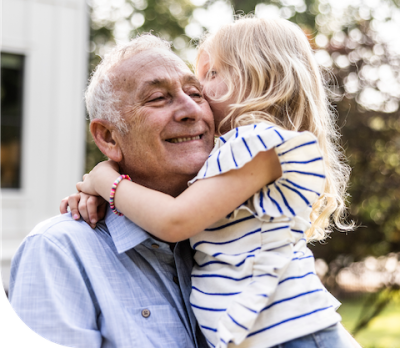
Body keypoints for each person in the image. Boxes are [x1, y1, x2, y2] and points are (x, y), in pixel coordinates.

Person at [73, 17, 357, 348]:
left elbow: (174, 219)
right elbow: (161, 182)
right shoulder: (233, 151)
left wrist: (107, 179)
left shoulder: (259, 145)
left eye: (210, 75)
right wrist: (105, 195)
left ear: (257, 79)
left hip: (290, 336)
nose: (201, 94)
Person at [8, 34, 214, 348]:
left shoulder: (237, 230)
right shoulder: (59, 251)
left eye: (196, 93)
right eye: (158, 97)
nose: (190, 110)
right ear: (108, 138)